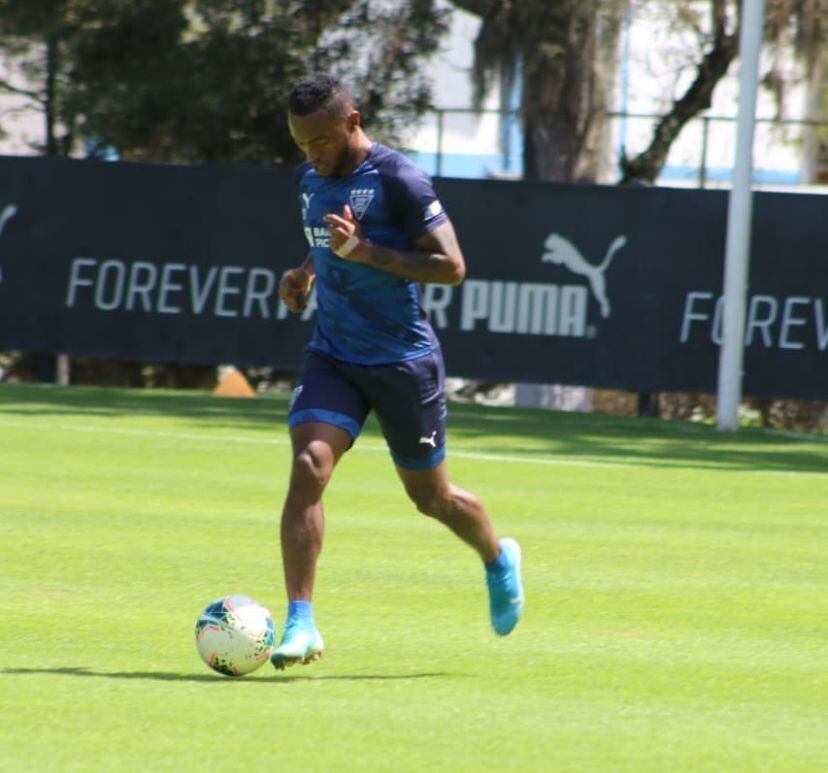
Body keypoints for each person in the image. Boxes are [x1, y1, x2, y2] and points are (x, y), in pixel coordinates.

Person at [270, 73, 524, 670]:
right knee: (308, 466)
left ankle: (495, 557)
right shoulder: (310, 179)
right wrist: (304, 273)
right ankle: (300, 622)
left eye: (322, 141)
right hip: (333, 352)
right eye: (302, 145)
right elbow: (325, 239)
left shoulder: (399, 179)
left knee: (431, 499)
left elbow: (453, 266)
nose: (313, 155)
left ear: (352, 122)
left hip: (402, 361)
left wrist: (369, 253)